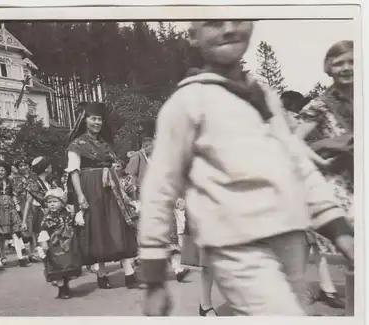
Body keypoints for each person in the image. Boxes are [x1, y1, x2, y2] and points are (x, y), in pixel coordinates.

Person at [138, 20, 354, 316]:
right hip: (236, 246)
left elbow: (297, 162)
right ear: (192, 35)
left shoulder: (263, 95)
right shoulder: (187, 102)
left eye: (237, 19)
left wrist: (339, 229)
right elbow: (158, 187)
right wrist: (153, 277)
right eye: (214, 23)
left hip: (289, 237)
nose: (228, 29)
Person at [295, 40, 355, 308]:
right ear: (328, 68)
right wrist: (322, 160)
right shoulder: (321, 104)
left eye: (352, 61)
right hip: (339, 184)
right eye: (339, 63)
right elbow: (294, 141)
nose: (346, 67)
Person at [66, 101, 139, 289]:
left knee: (117, 225)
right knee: (97, 228)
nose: (97, 122)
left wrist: (118, 170)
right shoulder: (76, 144)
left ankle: (130, 273)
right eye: (93, 118)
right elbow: (73, 171)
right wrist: (80, 196)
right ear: (85, 120)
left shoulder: (104, 144)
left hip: (109, 187)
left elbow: (116, 164)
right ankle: (101, 273)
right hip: (89, 187)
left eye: (99, 119)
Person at [38, 188, 82, 299]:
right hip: (55, 246)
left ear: (62, 203)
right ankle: (62, 289)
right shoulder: (48, 218)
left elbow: (74, 224)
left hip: (69, 244)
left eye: (55, 201)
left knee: (68, 266)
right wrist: (43, 242)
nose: (52, 204)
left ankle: (66, 285)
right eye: (49, 202)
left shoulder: (68, 214)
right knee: (56, 268)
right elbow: (43, 230)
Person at [0, 160, 28, 267]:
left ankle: (20, 257)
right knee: (1, 233)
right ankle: (2, 256)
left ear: (6, 172)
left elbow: (13, 194)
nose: (1, 172)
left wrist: (16, 204)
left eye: (3, 170)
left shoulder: (10, 181)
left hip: (10, 206)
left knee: (15, 231)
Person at [13, 157, 41, 260]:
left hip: (34, 202)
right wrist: (16, 203)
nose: (23, 167)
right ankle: (20, 250)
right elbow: (15, 193)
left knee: (34, 228)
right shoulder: (16, 178)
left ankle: (32, 253)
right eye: (20, 166)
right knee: (23, 227)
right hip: (22, 202)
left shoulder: (34, 176)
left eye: (25, 165)